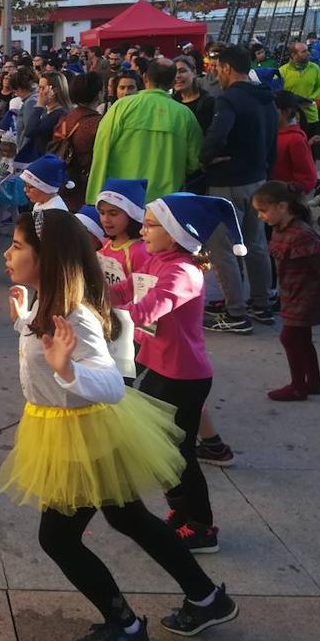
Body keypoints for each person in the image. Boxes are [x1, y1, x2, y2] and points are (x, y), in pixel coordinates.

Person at [0, 210, 238, 641]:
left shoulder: (75, 315)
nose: (8, 254)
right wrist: (24, 314)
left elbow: (107, 385)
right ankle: (206, 598)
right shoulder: (51, 301)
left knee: (58, 539)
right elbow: (43, 344)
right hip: (70, 429)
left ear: (47, 257)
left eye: (17, 246)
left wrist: (66, 369)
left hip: (82, 437)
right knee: (128, 517)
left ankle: (125, 626)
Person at [111, 193, 244, 553]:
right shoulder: (154, 260)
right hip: (157, 366)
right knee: (160, 450)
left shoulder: (183, 272)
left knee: (179, 454)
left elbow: (147, 309)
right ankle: (181, 512)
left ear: (176, 233)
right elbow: (123, 290)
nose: (143, 229)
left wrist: (101, 317)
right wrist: (88, 294)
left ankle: (202, 526)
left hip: (184, 377)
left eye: (152, 224)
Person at [201, 44, 277, 335]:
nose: (216, 73)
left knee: (223, 250)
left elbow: (217, 136)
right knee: (256, 245)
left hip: (227, 182)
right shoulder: (266, 98)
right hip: (257, 179)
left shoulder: (229, 100)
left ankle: (236, 312)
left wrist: (206, 158)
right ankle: (262, 303)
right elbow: (273, 142)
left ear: (228, 69)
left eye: (218, 68)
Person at [253, 181, 320, 402]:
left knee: (290, 338)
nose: (260, 216)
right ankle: (313, 383)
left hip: (306, 297)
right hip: (292, 294)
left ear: (282, 207)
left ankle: (298, 386)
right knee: (302, 339)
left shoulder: (301, 233)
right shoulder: (280, 229)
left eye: (263, 210)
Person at [86, 59, 202, 204]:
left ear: (145, 77)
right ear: (173, 82)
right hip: (163, 205)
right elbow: (194, 163)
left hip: (121, 200)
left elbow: (101, 150)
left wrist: (93, 197)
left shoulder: (121, 107)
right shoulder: (185, 116)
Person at [54, 73, 104, 210]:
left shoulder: (66, 118)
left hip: (62, 180)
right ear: (99, 94)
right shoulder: (98, 123)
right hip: (85, 186)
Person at [271, 91, 318, 193]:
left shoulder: (295, 139)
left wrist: (289, 191)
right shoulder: (271, 134)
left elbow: (308, 178)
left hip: (284, 200)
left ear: (286, 112)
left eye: (272, 109)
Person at [279, 41, 320, 124]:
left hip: (311, 116)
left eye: (307, 50)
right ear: (293, 55)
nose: (308, 53)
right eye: (304, 51)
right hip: (291, 118)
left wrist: (312, 98)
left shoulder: (315, 68)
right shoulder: (282, 71)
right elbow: (279, 91)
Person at [172, 56, 215, 133]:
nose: (177, 76)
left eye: (182, 71)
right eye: (174, 72)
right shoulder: (171, 101)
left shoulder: (208, 102)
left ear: (194, 72)